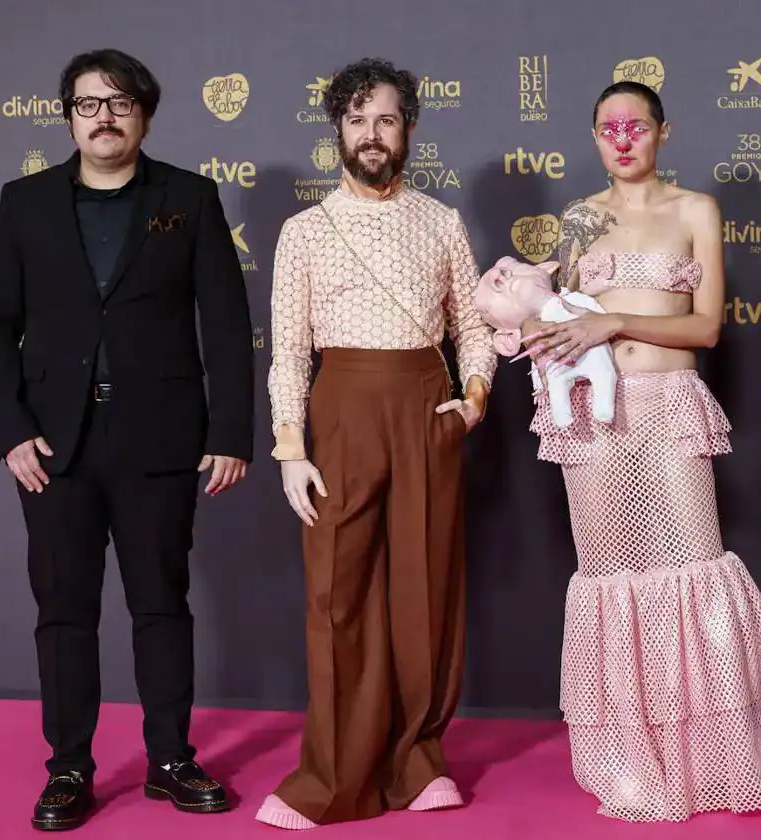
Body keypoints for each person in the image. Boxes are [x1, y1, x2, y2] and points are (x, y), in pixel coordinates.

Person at [519, 80, 761, 823]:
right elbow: (556, 316)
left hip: (669, 407)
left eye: (636, 126)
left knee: (696, 573)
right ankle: (631, 765)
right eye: (607, 128)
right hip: (594, 419)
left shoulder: (695, 211)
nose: (622, 139)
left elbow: (706, 328)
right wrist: (531, 334)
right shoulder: (576, 221)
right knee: (613, 583)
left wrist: (612, 321)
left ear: (664, 131)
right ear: (594, 137)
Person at [0, 49, 255, 831]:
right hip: (54, 447)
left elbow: (226, 324)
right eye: (90, 103)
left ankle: (170, 759)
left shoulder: (188, 198)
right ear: (68, 115)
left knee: (161, 605)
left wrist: (231, 430)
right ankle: (68, 767)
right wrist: (11, 431)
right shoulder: (23, 201)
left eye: (121, 102)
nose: (105, 115)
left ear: (146, 115)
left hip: (160, 441)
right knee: (63, 612)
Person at [255, 58, 495, 830]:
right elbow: (288, 350)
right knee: (338, 599)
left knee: (425, 591)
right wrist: (291, 447)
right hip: (340, 416)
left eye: (385, 119)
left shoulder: (443, 220)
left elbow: (475, 330)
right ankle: (332, 776)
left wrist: (475, 402)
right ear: (337, 131)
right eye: (357, 120)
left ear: (409, 129)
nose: (371, 134)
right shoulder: (303, 232)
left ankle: (419, 761)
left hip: (427, 412)